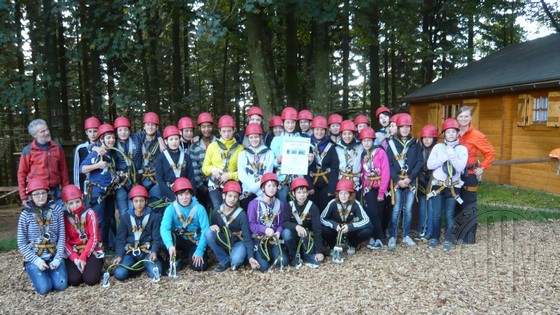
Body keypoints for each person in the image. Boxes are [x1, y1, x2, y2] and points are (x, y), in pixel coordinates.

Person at [17, 179, 68, 295]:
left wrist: (58, 258)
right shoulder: (25, 214)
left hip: (53, 255)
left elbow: (61, 237)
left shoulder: (57, 210)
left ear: (47, 193)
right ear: (31, 196)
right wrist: (37, 261)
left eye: (43, 193)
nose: (41, 196)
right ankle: (34, 271)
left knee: (61, 285)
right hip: (35, 257)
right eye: (36, 194)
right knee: (45, 288)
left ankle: (50, 271)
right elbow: (21, 243)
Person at [426, 118, 468, 252]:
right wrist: (444, 156)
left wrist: (452, 156)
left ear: (457, 133)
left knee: (449, 214)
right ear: (444, 134)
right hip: (438, 186)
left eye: (453, 132)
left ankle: (448, 240)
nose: (451, 134)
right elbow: (429, 165)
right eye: (448, 132)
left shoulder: (462, 149)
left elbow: (460, 167)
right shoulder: (438, 147)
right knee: (437, 214)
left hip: (453, 187)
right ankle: (435, 238)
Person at [455, 106, 495, 244]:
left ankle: (469, 237)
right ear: (457, 118)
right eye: (461, 116)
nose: (463, 119)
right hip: (455, 175)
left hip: (470, 174)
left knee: (469, 204)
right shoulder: (453, 133)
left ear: (470, 118)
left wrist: (482, 167)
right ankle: (458, 235)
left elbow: (490, 153)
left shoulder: (477, 135)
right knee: (456, 203)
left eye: (466, 116)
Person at [205, 181, 260, 272]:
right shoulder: (216, 211)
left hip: (238, 242)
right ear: (224, 196)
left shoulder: (241, 215)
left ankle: (233, 257)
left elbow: (247, 237)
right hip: (224, 240)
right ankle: (224, 259)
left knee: (236, 260)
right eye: (230, 196)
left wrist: (251, 257)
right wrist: (213, 227)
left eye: (235, 197)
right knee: (208, 233)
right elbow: (214, 226)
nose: (232, 199)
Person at [386, 113, 424, 249]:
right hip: (396, 181)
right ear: (398, 128)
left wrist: (410, 178)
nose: (405, 129)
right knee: (396, 210)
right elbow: (388, 163)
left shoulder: (415, 143)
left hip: (410, 180)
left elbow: (420, 162)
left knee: (408, 209)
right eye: (402, 127)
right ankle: (393, 236)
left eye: (408, 127)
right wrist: (397, 179)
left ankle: (407, 235)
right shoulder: (391, 144)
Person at [80, 123, 118, 251]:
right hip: (97, 192)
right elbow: (83, 169)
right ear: (101, 139)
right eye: (108, 138)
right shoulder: (95, 154)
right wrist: (97, 166)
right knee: (99, 221)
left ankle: (106, 246)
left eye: (113, 138)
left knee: (108, 220)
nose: (111, 140)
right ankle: (97, 247)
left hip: (109, 192)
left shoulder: (112, 154)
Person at [113, 185, 163, 280]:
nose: (139, 204)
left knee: (157, 272)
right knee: (119, 273)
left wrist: (154, 251)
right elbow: (120, 239)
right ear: (131, 202)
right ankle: (138, 267)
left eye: (141, 201)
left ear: (146, 201)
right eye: (136, 201)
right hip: (130, 252)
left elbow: (157, 238)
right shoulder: (125, 218)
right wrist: (119, 255)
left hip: (147, 252)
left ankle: (144, 265)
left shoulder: (154, 217)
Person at [160, 177, 209, 271]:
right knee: (162, 242)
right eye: (181, 194)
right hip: (180, 239)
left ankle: (191, 254)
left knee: (200, 267)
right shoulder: (170, 209)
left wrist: (200, 250)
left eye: (187, 193)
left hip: (195, 241)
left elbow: (205, 230)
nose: (184, 197)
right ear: (176, 196)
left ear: (191, 194)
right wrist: (170, 245)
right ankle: (176, 257)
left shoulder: (199, 209)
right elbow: (164, 228)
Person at [18, 119, 70, 206]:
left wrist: (66, 190)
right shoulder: (28, 150)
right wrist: (24, 196)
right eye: (42, 131)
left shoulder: (57, 147)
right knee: (40, 218)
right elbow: (21, 174)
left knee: (59, 216)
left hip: (56, 190)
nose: (47, 133)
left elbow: (63, 171)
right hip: (37, 192)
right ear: (34, 135)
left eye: (47, 129)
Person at [62, 184, 103, 286]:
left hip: (91, 250)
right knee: (74, 280)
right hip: (74, 252)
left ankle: (98, 265)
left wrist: (83, 257)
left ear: (82, 200)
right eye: (71, 203)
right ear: (66, 204)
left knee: (91, 280)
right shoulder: (64, 217)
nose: (75, 205)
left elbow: (94, 238)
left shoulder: (90, 213)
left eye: (77, 201)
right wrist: (74, 257)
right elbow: (64, 240)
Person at [320, 178, 372, 256]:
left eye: (346, 193)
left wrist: (351, 227)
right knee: (324, 229)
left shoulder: (355, 204)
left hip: (349, 231)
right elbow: (322, 218)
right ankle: (332, 246)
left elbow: (366, 220)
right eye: (341, 193)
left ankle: (352, 245)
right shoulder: (333, 203)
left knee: (368, 230)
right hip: (336, 229)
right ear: (337, 194)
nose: (343, 196)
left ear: (351, 194)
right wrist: (334, 225)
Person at [247, 173, 288, 272]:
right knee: (263, 267)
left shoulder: (280, 205)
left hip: (273, 240)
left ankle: (272, 253)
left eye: (274, 186)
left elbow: (282, 223)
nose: (272, 188)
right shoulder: (253, 204)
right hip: (259, 240)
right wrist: (264, 230)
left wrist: (278, 231)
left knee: (284, 262)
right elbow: (251, 224)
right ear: (263, 188)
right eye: (269, 185)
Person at [202, 115, 243, 210]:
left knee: (232, 209)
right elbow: (204, 167)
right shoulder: (212, 146)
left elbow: (242, 172)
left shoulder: (240, 149)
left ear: (234, 130)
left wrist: (230, 175)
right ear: (220, 131)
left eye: (229, 131)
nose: (227, 134)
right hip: (215, 184)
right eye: (224, 131)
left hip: (231, 183)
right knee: (217, 208)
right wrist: (213, 169)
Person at [358, 127, 390, 250]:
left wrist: (382, 192)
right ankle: (379, 237)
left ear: (373, 141)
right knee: (372, 212)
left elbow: (386, 172)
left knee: (380, 213)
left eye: (369, 141)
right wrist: (363, 192)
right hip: (369, 187)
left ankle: (377, 237)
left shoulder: (380, 153)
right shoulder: (363, 155)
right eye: (364, 141)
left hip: (380, 186)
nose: (367, 143)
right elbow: (363, 174)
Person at [281, 178, 324, 268]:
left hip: (306, 238)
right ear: (293, 193)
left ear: (308, 193)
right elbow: (284, 223)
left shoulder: (312, 207)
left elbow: (317, 229)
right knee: (286, 233)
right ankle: (293, 255)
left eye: (304, 192)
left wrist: (319, 251)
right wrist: (296, 226)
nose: (302, 195)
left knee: (317, 262)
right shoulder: (289, 206)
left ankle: (304, 254)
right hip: (293, 237)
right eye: (299, 193)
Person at [237, 123, 275, 210]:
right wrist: (252, 187)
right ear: (248, 138)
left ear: (261, 137)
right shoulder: (242, 154)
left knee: (263, 214)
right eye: (251, 137)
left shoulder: (269, 153)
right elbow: (241, 174)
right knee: (247, 213)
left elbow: (268, 173)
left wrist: (257, 188)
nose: (254, 139)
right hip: (247, 190)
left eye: (257, 137)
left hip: (263, 190)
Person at [155, 125, 196, 204]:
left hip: (185, 194)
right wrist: (173, 198)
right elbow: (160, 180)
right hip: (168, 194)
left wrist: (191, 195)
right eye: (171, 139)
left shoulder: (186, 157)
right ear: (166, 141)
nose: (174, 142)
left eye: (176, 139)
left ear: (179, 140)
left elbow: (191, 178)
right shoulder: (161, 158)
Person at [270, 107, 302, 202]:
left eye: (292, 122)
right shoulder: (276, 140)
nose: (290, 125)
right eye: (287, 122)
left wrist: (308, 160)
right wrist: (277, 161)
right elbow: (271, 161)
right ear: (283, 123)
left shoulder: (300, 139)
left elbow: (304, 163)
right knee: (282, 203)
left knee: (298, 203)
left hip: (296, 177)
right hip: (281, 178)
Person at [113, 116, 142, 219]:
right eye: (120, 130)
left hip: (134, 180)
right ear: (116, 132)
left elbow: (152, 131)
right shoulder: (113, 143)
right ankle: (125, 232)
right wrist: (93, 147)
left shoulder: (137, 138)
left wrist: (161, 139)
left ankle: (134, 232)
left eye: (125, 129)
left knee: (133, 209)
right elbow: (101, 144)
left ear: (130, 131)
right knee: (123, 211)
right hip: (121, 182)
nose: (123, 132)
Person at [308, 116, 339, 211]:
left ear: (325, 131)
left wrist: (331, 188)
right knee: (312, 209)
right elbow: (303, 168)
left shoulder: (331, 146)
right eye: (317, 129)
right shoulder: (306, 145)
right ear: (312, 130)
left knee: (325, 208)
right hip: (312, 183)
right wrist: (309, 186)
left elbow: (335, 167)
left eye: (322, 130)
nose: (319, 132)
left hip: (327, 183)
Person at [189, 112, 218, 210]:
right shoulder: (194, 146)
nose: (206, 129)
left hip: (216, 181)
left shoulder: (219, 143)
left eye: (209, 126)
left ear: (212, 127)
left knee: (217, 208)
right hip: (200, 184)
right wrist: (202, 187)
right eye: (203, 127)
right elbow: (194, 169)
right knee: (202, 209)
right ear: (199, 128)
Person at [135, 112, 165, 205]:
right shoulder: (138, 139)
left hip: (155, 180)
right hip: (141, 179)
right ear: (144, 126)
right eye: (148, 125)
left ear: (157, 127)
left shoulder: (162, 142)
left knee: (155, 205)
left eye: (153, 125)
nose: (150, 127)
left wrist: (160, 138)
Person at [415, 124, 438, 242]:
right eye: (424, 138)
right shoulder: (420, 150)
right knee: (422, 207)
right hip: (422, 182)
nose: (427, 140)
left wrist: (431, 184)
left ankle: (430, 232)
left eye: (429, 137)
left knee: (431, 208)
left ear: (434, 138)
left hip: (433, 182)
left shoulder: (438, 150)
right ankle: (422, 230)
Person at [73, 117, 101, 193]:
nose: (92, 134)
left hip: (100, 185)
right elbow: (76, 170)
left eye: (95, 131)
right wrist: (77, 189)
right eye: (90, 131)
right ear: (86, 132)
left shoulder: (103, 147)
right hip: (84, 185)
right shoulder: (80, 149)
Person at [336, 120, 364, 194]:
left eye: (349, 133)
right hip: (341, 181)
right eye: (344, 134)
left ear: (354, 134)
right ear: (341, 135)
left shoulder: (360, 146)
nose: (347, 136)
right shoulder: (336, 148)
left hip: (356, 182)